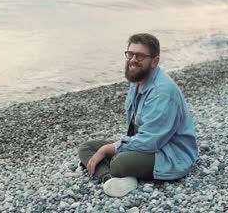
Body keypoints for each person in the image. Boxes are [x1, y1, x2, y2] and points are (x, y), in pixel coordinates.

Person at [78, 33, 198, 197]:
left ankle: (113, 171)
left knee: (119, 162)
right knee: (87, 147)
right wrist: (108, 150)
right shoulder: (138, 81)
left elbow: (151, 141)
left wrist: (109, 150)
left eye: (140, 56)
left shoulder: (162, 92)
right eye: (130, 54)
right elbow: (136, 132)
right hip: (145, 144)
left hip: (169, 153)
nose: (133, 59)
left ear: (154, 61)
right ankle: (109, 179)